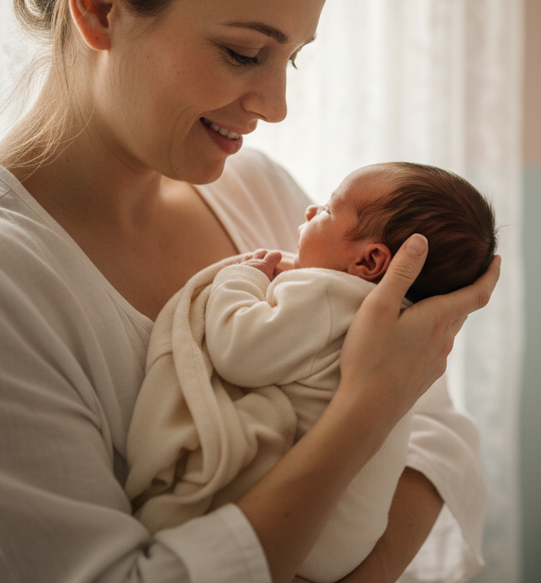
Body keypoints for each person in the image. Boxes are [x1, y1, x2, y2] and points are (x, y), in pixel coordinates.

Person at [0, 0, 499, 581]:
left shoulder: (262, 192)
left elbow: (439, 432)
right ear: (99, 5)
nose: (276, 107)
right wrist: (366, 412)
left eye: (289, 59)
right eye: (243, 51)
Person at [125, 162, 497, 583]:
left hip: (298, 537)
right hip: (351, 540)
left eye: (327, 210)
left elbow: (238, 350)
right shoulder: (402, 323)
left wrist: (241, 277)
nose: (309, 210)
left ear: (370, 260)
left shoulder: (324, 293)